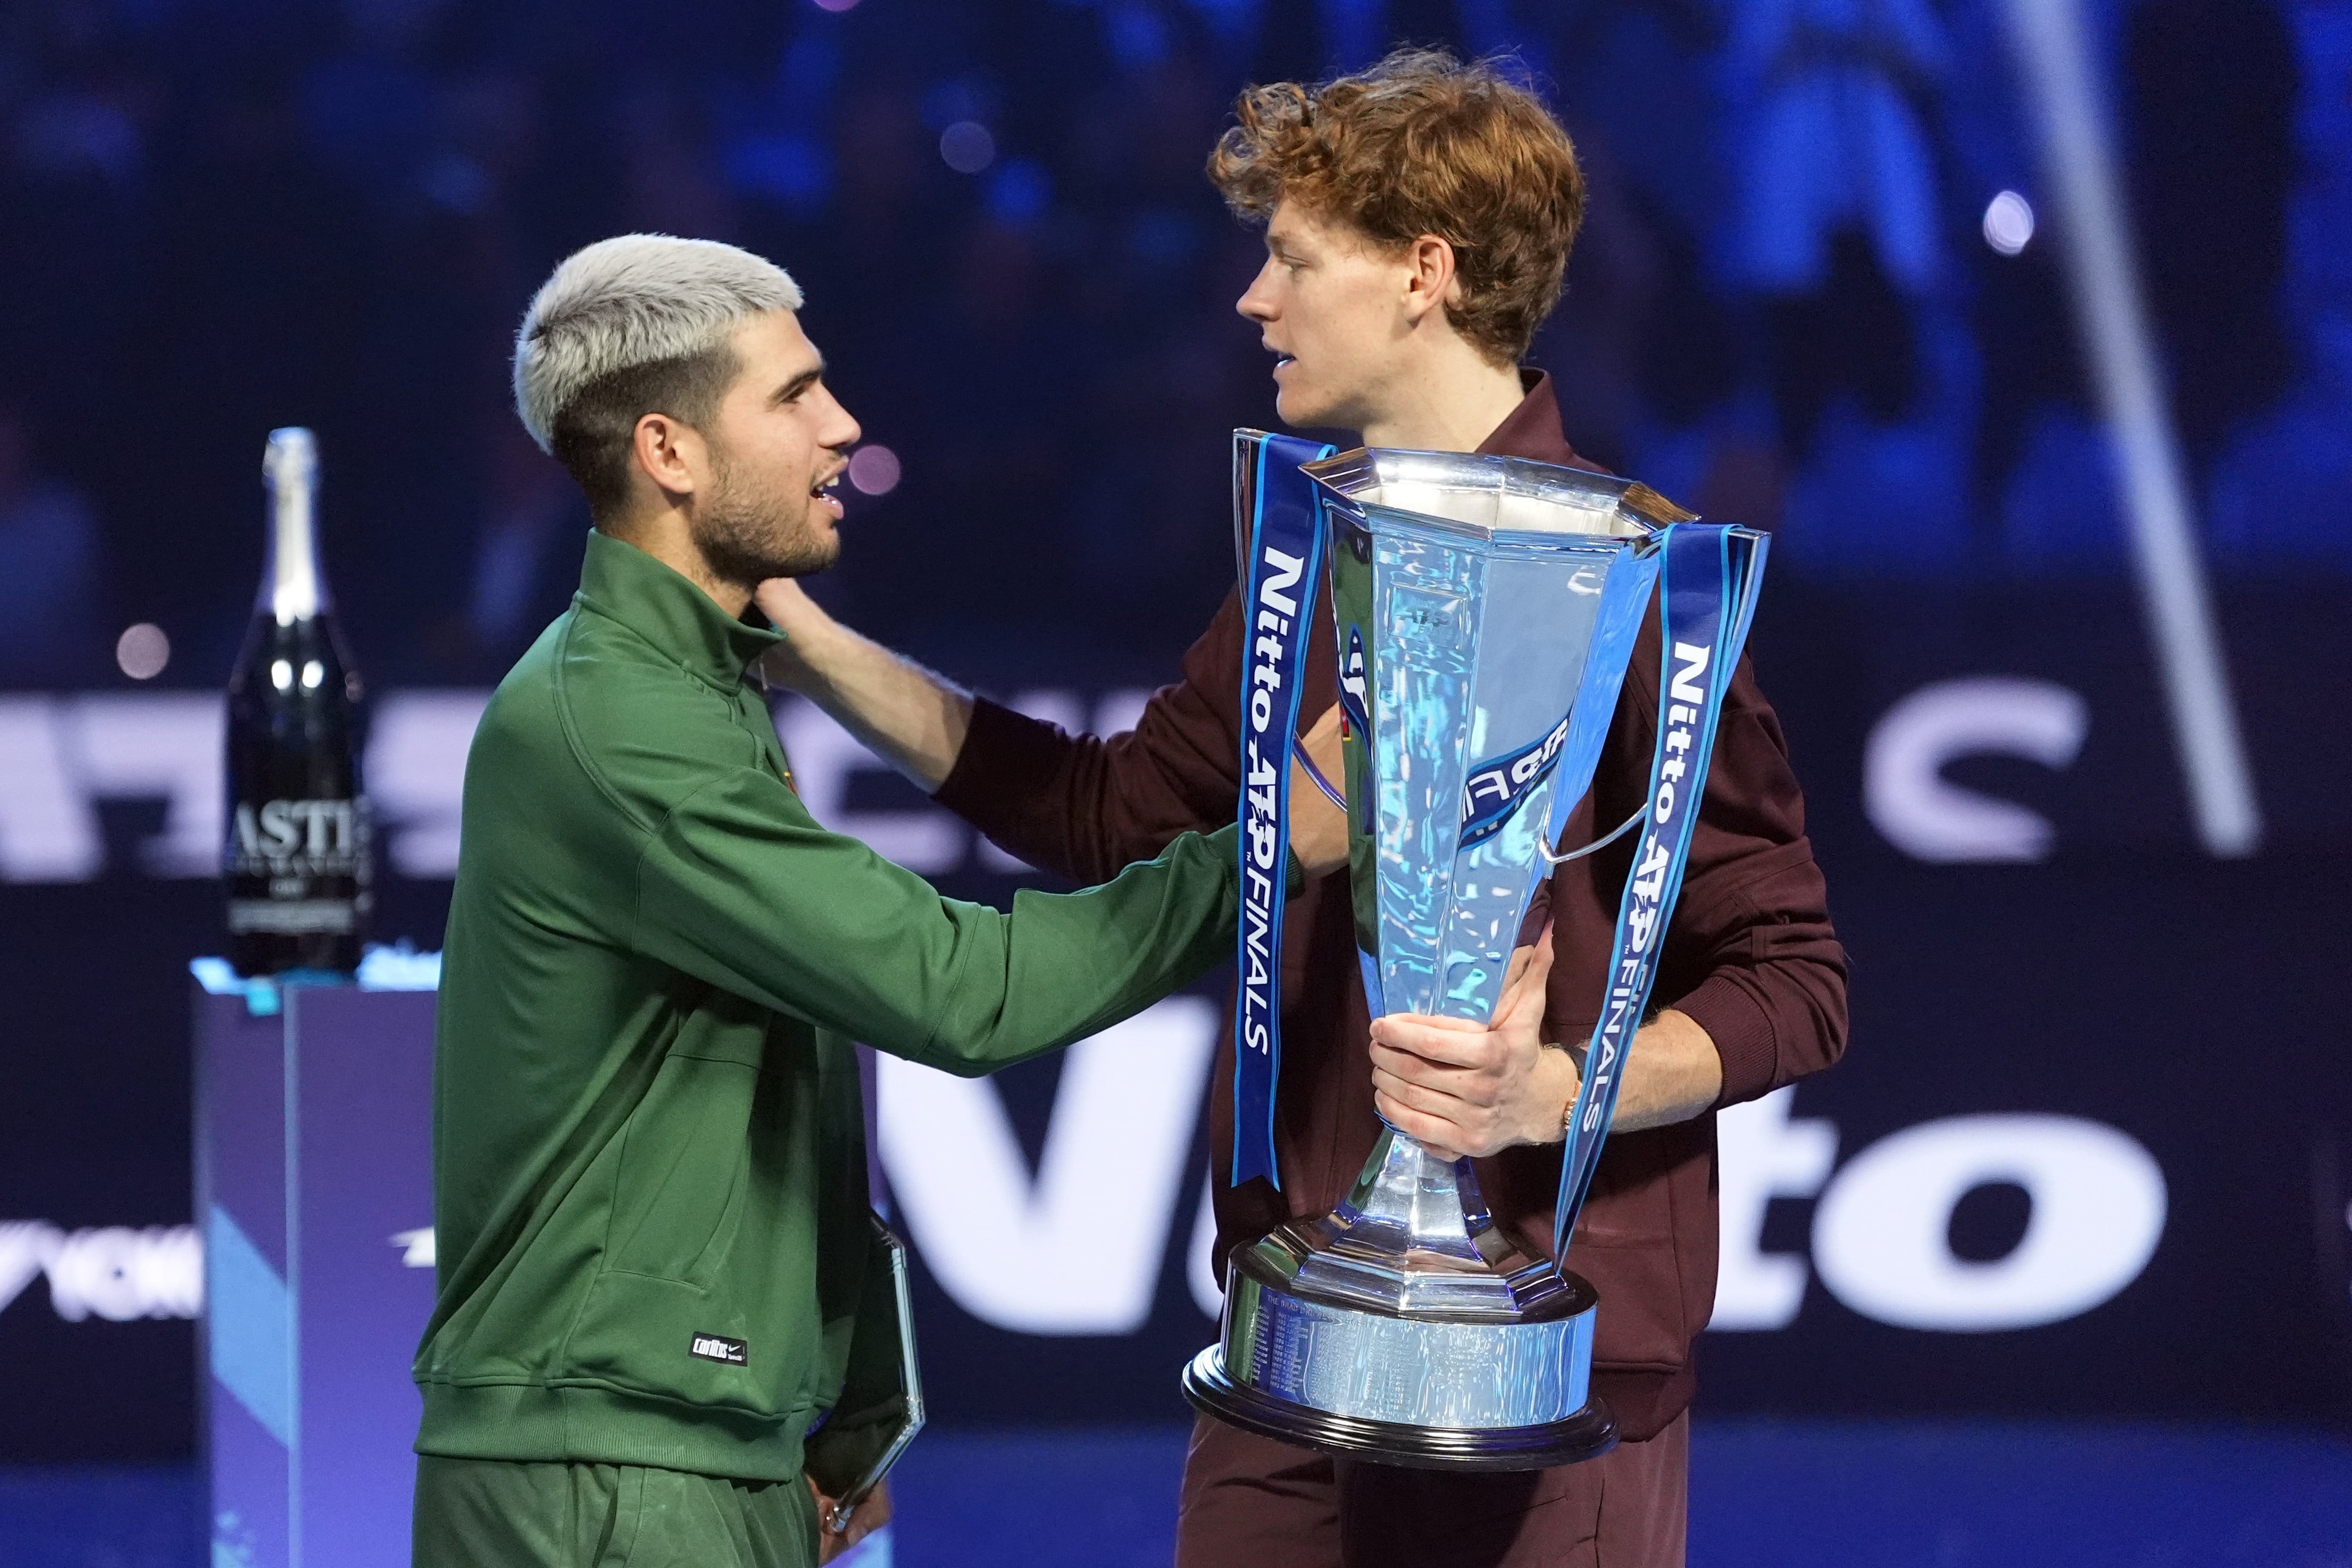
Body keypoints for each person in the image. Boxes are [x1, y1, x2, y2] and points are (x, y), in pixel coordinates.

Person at [760, 51, 1849, 1567]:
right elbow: (1107, 810)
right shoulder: (1302, 570)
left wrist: (1551, 1092)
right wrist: (803, 644)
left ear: (1422, 273)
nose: (1249, 301)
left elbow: (1794, 985)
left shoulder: (1636, 579)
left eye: (1287, 258)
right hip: (1291, 1359)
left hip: (1542, 1373)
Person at [407, 233, 1354, 1568]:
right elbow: (957, 991)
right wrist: (1270, 854)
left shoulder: (691, 685)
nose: (843, 425)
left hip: (686, 1443)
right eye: (792, 394)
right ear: (668, 454)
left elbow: (763, 1091)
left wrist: (832, 1421)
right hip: (608, 1472)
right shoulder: (614, 720)